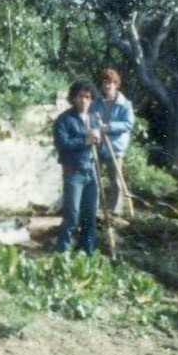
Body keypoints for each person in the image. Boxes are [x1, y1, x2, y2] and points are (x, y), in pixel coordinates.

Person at [52, 79, 101, 255]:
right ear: (73, 98)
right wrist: (85, 141)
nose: (83, 100)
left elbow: (96, 146)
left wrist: (97, 139)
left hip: (91, 172)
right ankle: (61, 253)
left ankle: (87, 254)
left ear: (91, 100)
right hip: (73, 173)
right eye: (80, 96)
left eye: (87, 97)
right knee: (72, 216)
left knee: (89, 217)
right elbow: (62, 144)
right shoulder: (64, 120)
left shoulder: (93, 119)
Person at [89, 68, 134, 215]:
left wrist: (107, 127)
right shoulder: (96, 103)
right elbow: (90, 119)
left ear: (116, 84)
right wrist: (95, 129)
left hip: (115, 147)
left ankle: (115, 211)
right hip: (98, 146)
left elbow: (128, 124)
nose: (107, 86)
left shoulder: (125, 104)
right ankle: (93, 208)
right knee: (93, 178)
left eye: (110, 83)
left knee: (115, 180)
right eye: (104, 83)